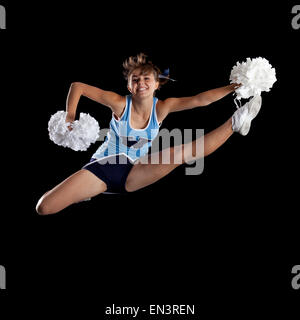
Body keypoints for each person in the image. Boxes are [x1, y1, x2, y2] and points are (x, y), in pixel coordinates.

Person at [36, 53, 262, 215]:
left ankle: (236, 121)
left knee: (180, 154)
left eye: (146, 79)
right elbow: (78, 86)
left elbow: (200, 100)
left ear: (156, 85)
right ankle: (83, 193)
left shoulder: (162, 107)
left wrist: (234, 87)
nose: (141, 83)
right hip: (103, 168)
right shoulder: (119, 103)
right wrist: (70, 116)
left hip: (135, 172)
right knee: (44, 207)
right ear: (129, 86)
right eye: (135, 79)